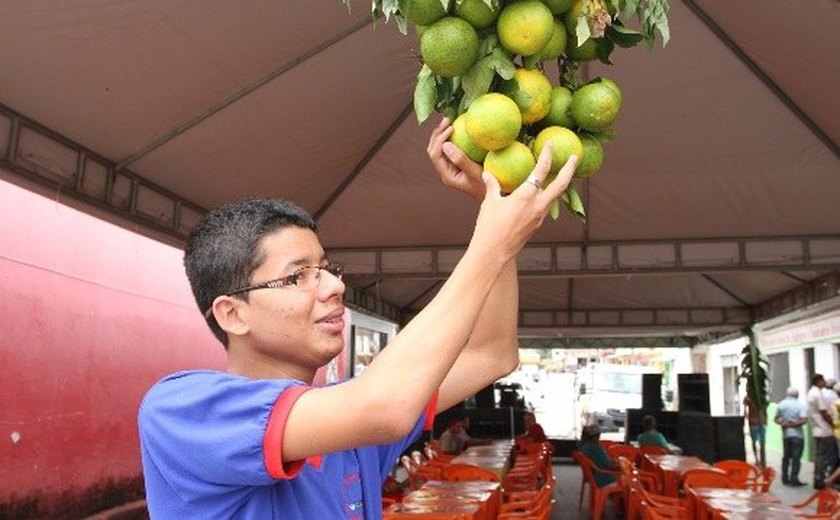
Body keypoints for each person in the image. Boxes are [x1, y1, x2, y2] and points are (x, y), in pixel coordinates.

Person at [137, 117, 579, 518]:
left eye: (326, 269)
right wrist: (490, 244)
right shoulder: (181, 411)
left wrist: (492, 213)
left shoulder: (352, 424)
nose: (333, 286)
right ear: (232, 314)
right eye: (297, 277)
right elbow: (384, 405)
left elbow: (490, 355)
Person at [807, 373, 836, 489]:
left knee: (819, 456)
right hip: (824, 430)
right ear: (818, 381)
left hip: (817, 429)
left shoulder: (811, 393)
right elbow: (824, 412)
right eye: (823, 380)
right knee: (825, 457)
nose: (825, 383)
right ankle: (823, 481)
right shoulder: (817, 394)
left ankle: (818, 479)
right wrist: (833, 425)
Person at [774, 386, 808, 486]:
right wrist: (793, 425)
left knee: (786, 457)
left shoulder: (781, 404)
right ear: (797, 395)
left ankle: (785, 478)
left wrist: (784, 424)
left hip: (786, 435)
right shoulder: (800, 405)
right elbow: (804, 420)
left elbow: (776, 419)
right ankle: (794, 479)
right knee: (796, 458)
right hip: (797, 435)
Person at [743, 394, 767, 469]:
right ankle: (760, 460)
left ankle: (757, 459)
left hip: (753, 422)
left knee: (754, 442)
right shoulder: (762, 397)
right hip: (761, 422)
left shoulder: (749, 397)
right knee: (761, 442)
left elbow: (745, 410)